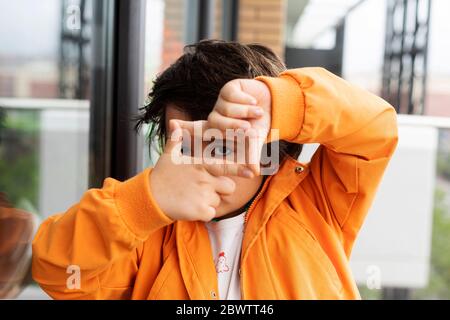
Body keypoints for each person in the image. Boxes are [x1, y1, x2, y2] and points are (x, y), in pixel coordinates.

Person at [32, 40, 398, 299]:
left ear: (269, 140)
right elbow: (59, 273)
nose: (204, 165)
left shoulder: (315, 206)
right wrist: (145, 201)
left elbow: (374, 128)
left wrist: (278, 103)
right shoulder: (145, 236)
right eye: (186, 146)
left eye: (222, 145)